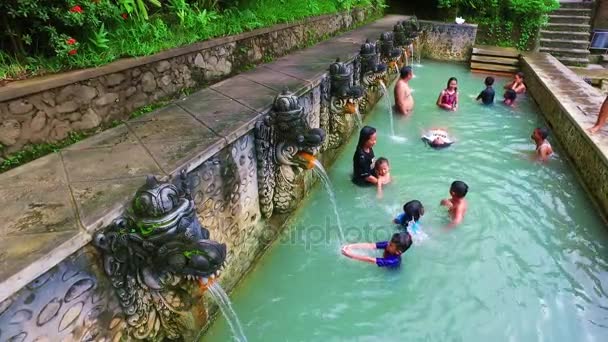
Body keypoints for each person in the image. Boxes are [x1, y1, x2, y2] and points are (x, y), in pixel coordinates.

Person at [341, 232, 412, 268]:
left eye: (391, 245)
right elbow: (371, 245)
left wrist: (350, 255)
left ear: (398, 252)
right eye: (390, 242)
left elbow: (370, 260)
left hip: (391, 271)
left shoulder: (392, 261)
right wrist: (350, 246)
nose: (388, 244)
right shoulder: (390, 245)